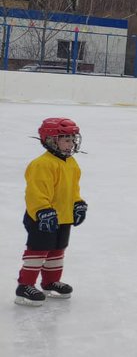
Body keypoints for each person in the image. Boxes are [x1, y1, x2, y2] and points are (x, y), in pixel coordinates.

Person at [15, 118, 86, 307]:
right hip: (41, 217)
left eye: (73, 139)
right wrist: (43, 211)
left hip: (63, 216)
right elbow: (35, 193)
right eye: (66, 139)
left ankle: (50, 282)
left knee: (57, 250)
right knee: (38, 252)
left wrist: (78, 203)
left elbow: (73, 189)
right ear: (51, 140)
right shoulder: (42, 164)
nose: (71, 144)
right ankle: (25, 286)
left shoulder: (71, 163)